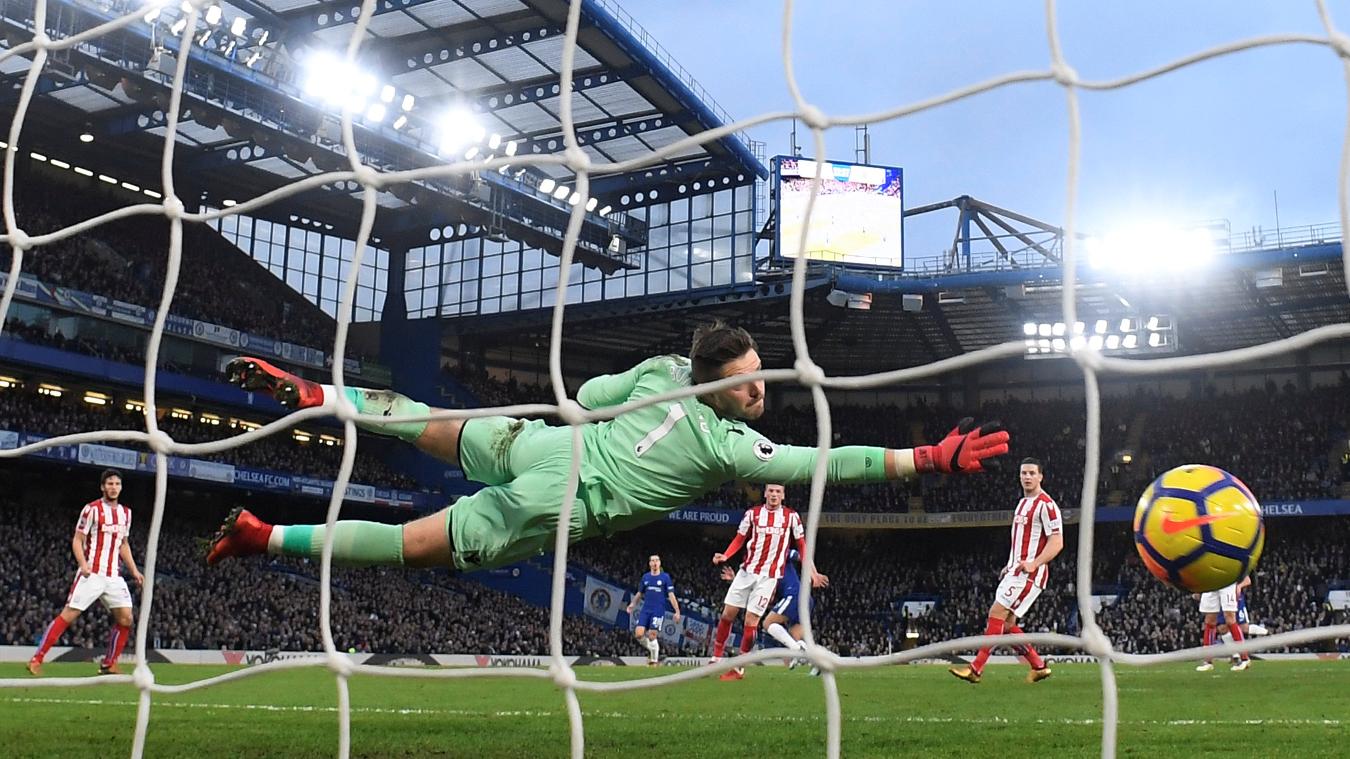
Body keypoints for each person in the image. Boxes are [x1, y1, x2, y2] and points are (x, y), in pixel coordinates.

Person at [207, 322, 1009, 579]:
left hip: (543, 445)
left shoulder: (663, 372)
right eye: (749, 382)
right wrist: (926, 460)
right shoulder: (732, 449)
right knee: (411, 544)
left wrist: (623, 400)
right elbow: (822, 464)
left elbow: (589, 400)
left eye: (760, 375)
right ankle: (264, 534)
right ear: (718, 388)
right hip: (561, 501)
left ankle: (328, 395)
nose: (760, 388)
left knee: (428, 422)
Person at [950, 458, 1061, 685]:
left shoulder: (1046, 505)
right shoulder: (1022, 503)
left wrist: (1034, 563)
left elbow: (1057, 542)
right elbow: (1021, 542)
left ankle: (976, 668)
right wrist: (1010, 565)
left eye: (1032, 473)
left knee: (996, 614)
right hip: (1016, 571)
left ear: (1041, 476)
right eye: (1023, 473)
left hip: (1030, 574)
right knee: (1007, 625)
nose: (1027, 477)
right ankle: (1038, 666)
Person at [28, 469, 145, 676]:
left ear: (121, 487)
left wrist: (134, 570)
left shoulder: (126, 513)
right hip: (92, 573)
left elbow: (123, 544)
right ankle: (37, 659)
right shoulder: (91, 509)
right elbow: (78, 539)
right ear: (102, 487)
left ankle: (109, 663)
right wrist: (83, 563)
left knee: (126, 618)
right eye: (109, 483)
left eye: (117, 484)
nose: (113, 487)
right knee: (69, 615)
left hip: (114, 575)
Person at [709, 483, 826, 681]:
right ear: (765, 494)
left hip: (769, 578)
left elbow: (803, 547)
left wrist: (812, 573)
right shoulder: (752, 514)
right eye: (770, 491)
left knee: (752, 622)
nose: (774, 494)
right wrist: (726, 556)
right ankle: (716, 658)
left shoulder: (791, 517)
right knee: (727, 614)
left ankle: (739, 668)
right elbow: (739, 538)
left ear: (783, 495)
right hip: (746, 572)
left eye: (778, 491)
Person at [761, 546, 826, 675]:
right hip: (805, 598)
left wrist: (814, 574)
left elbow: (802, 555)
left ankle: (798, 649)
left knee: (767, 623)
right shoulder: (768, 564)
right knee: (795, 637)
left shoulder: (779, 552)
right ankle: (818, 662)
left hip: (794, 595)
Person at [624, 554, 681, 666]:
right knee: (639, 634)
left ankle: (654, 661)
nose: (655, 563)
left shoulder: (665, 577)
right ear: (649, 563)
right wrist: (632, 604)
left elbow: (671, 595)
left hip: (658, 610)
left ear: (660, 563)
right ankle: (653, 649)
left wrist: (677, 611)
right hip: (646, 609)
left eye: (657, 560)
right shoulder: (646, 577)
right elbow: (640, 593)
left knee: (652, 635)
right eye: (652, 561)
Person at [1196, 578, 1250, 672]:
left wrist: (1239, 586)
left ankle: (1244, 659)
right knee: (1209, 621)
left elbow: (1246, 576)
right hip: (1211, 582)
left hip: (1227, 581)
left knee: (1230, 619)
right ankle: (1207, 661)